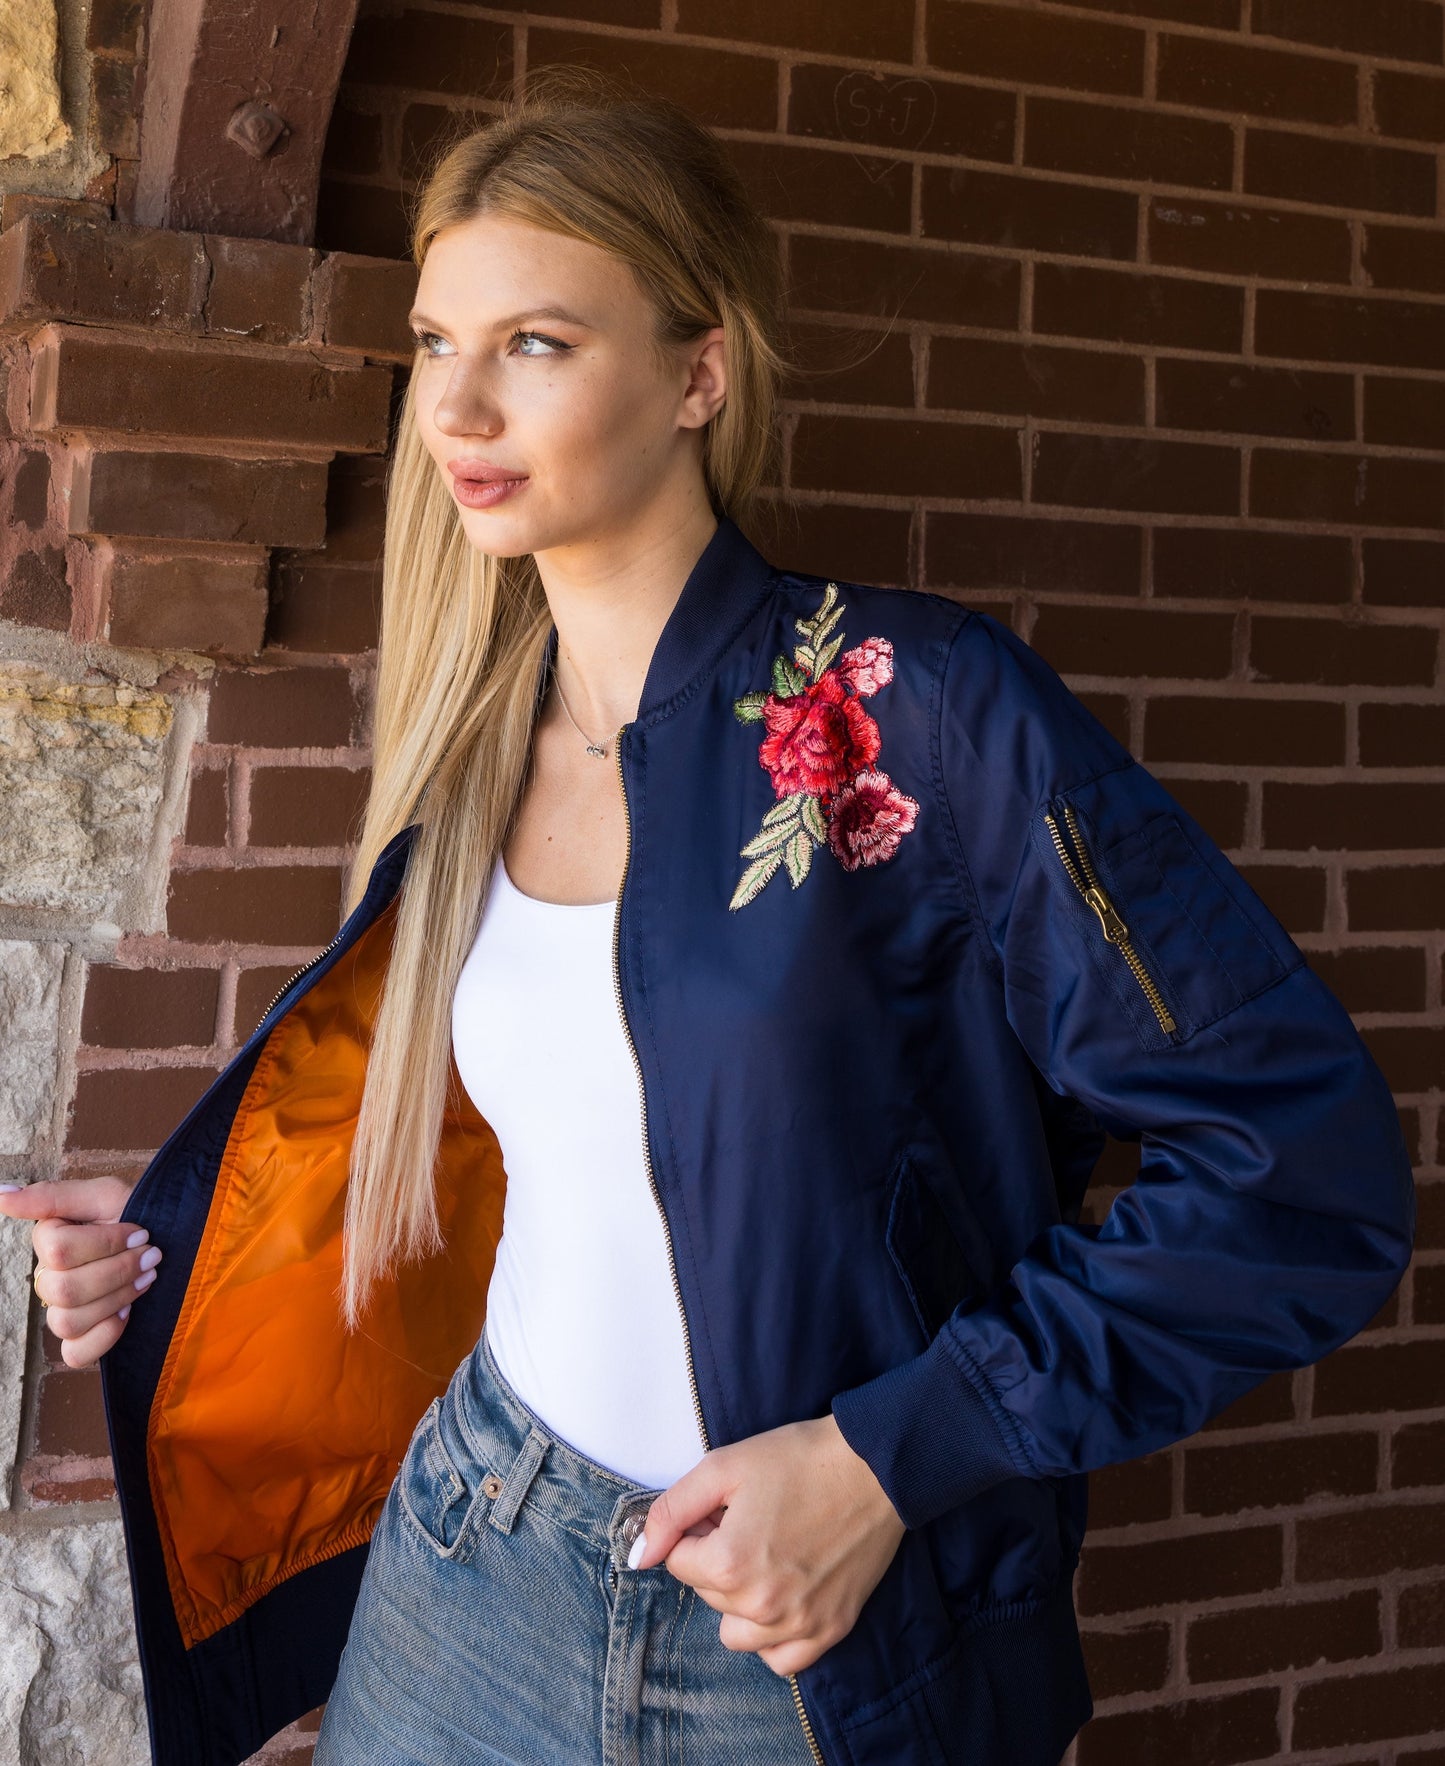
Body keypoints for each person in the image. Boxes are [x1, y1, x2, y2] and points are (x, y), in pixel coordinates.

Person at [1, 66, 1416, 1766]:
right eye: (437, 346)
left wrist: (891, 1452)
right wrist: (175, 1233)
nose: (458, 407)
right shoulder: (470, 760)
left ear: (697, 372)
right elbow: (516, 1149)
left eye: (534, 342)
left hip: (808, 1632)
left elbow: (1297, 1169)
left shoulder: (916, 710)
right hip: (478, 1565)